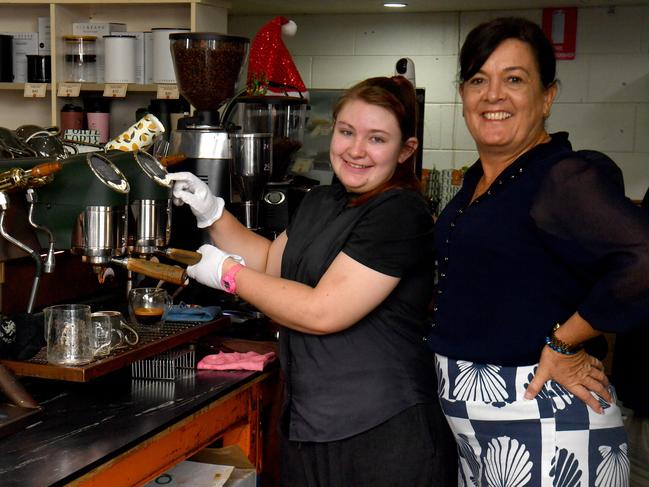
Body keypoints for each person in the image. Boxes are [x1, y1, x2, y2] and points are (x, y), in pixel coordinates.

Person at [167, 76, 457, 487]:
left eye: (377, 139)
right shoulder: (323, 199)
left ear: (405, 150)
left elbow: (323, 311)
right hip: (311, 424)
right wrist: (213, 214)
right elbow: (271, 262)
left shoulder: (399, 212)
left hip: (382, 432)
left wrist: (228, 274)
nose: (356, 150)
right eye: (346, 132)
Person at [426, 17, 649, 487]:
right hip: (479, 434)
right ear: (463, 95)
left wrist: (563, 340)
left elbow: (643, 260)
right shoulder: (481, 181)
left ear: (547, 97)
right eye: (478, 80)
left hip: (549, 423)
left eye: (514, 79)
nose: (493, 95)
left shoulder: (559, 176)